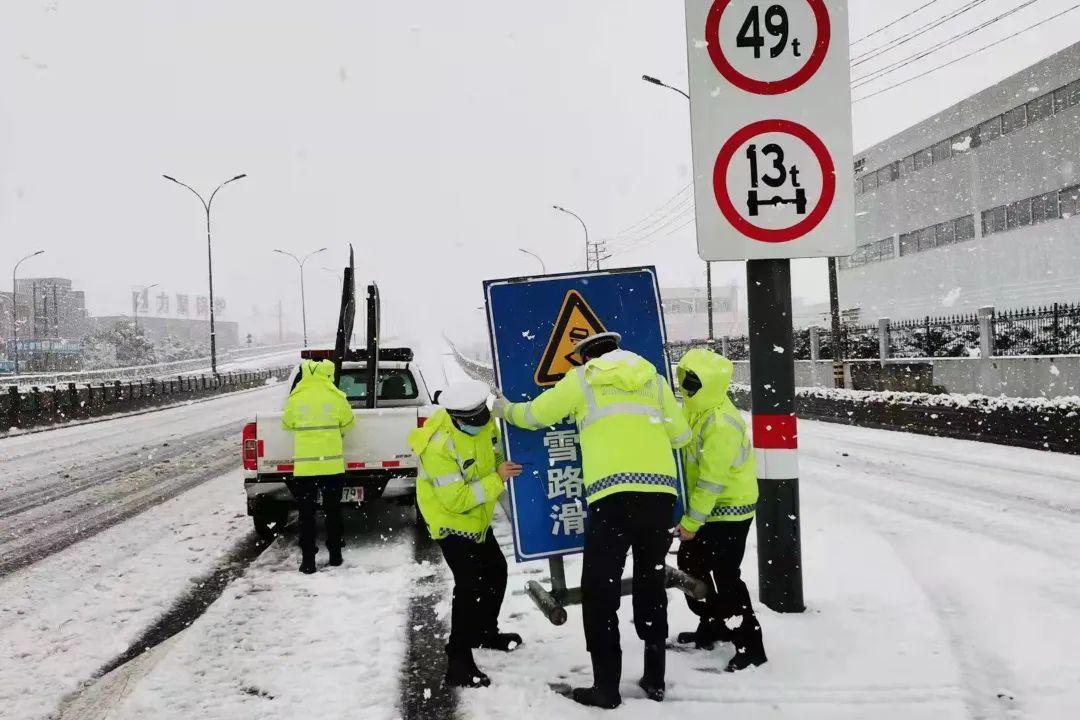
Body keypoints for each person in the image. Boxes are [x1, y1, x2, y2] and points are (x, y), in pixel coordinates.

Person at [493, 332, 691, 708]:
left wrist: (505, 408)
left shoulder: (583, 379)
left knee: (600, 592)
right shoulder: (653, 379)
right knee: (651, 582)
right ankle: (655, 678)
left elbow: (535, 415)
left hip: (612, 498)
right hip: (660, 497)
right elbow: (680, 436)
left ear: (585, 357)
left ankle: (606, 689)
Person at [408, 379, 525, 689]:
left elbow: (497, 454)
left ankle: (484, 632)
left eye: (483, 417)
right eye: (473, 421)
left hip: (478, 518)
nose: (482, 424)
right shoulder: (438, 445)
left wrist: (506, 471)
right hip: (450, 520)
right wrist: (496, 480)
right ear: (456, 418)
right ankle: (458, 661)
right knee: (470, 584)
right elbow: (455, 500)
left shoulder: (482, 424)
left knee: (496, 571)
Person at [673, 348, 767, 672]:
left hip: (730, 509)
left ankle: (751, 645)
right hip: (708, 509)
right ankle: (713, 623)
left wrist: (691, 521)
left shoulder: (721, 423)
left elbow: (711, 481)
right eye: (684, 379)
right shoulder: (694, 409)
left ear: (709, 385)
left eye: (693, 382)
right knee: (691, 564)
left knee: (726, 576)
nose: (685, 387)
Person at [282, 358, 356, 574]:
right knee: (333, 511)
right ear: (328, 374)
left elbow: (287, 424)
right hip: (332, 467)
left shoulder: (296, 397)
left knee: (306, 515)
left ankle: (308, 561)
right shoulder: (336, 396)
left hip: (304, 469)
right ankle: (335, 554)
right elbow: (350, 422)